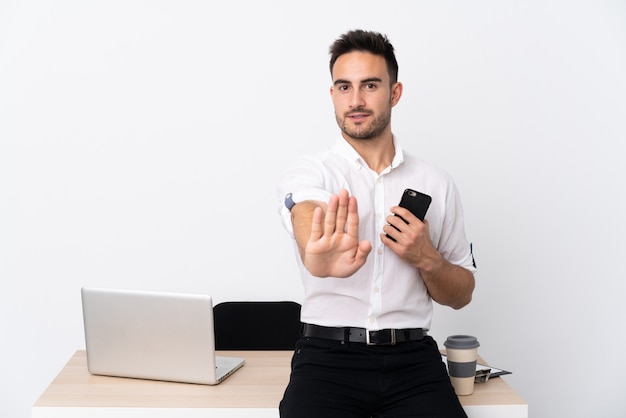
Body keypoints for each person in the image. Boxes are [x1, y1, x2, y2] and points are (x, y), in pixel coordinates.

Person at [276, 29, 477, 418]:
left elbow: (462, 293)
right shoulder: (311, 170)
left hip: (414, 362)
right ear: (332, 94)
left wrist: (427, 258)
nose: (355, 101)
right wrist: (315, 250)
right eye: (344, 87)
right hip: (326, 361)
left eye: (369, 85)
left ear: (395, 93)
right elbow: (305, 208)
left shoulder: (437, 182)